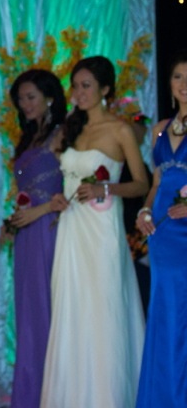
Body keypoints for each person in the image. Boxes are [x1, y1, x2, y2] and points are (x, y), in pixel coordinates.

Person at [41, 55, 148, 408]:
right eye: (75, 85)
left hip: (102, 233)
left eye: (87, 86)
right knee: (72, 313)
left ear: (105, 89)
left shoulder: (120, 130)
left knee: (102, 314)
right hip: (71, 230)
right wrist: (58, 197)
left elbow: (141, 184)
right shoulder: (71, 129)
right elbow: (67, 179)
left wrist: (106, 189)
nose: (79, 92)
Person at [1, 69, 67, 408]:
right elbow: (27, 191)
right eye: (20, 99)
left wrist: (37, 214)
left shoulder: (63, 133)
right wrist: (12, 222)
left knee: (48, 312)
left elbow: (68, 193)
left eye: (30, 97)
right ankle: (30, 396)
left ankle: (54, 395)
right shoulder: (28, 138)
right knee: (27, 316)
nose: (25, 104)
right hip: (27, 234)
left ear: (49, 96)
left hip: (51, 231)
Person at [134, 50, 187, 407]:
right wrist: (144, 211)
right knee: (166, 311)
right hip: (163, 232)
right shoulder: (158, 130)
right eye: (178, 76)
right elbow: (155, 182)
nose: (185, 84)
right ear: (169, 85)